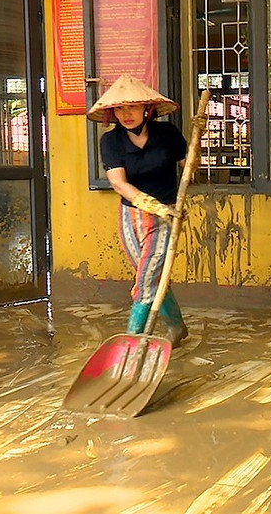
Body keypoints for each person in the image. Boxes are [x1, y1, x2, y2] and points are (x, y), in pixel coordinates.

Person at [87, 74, 190, 347]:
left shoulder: (167, 134)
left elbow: (188, 164)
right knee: (152, 274)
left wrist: (196, 150)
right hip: (132, 216)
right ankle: (177, 327)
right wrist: (149, 204)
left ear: (147, 108)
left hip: (167, 215)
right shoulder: (111, 142)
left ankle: (133, 342)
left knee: (146, 280)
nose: (126, 114)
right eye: (119, 108)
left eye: (132, 107)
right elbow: (119, 183)